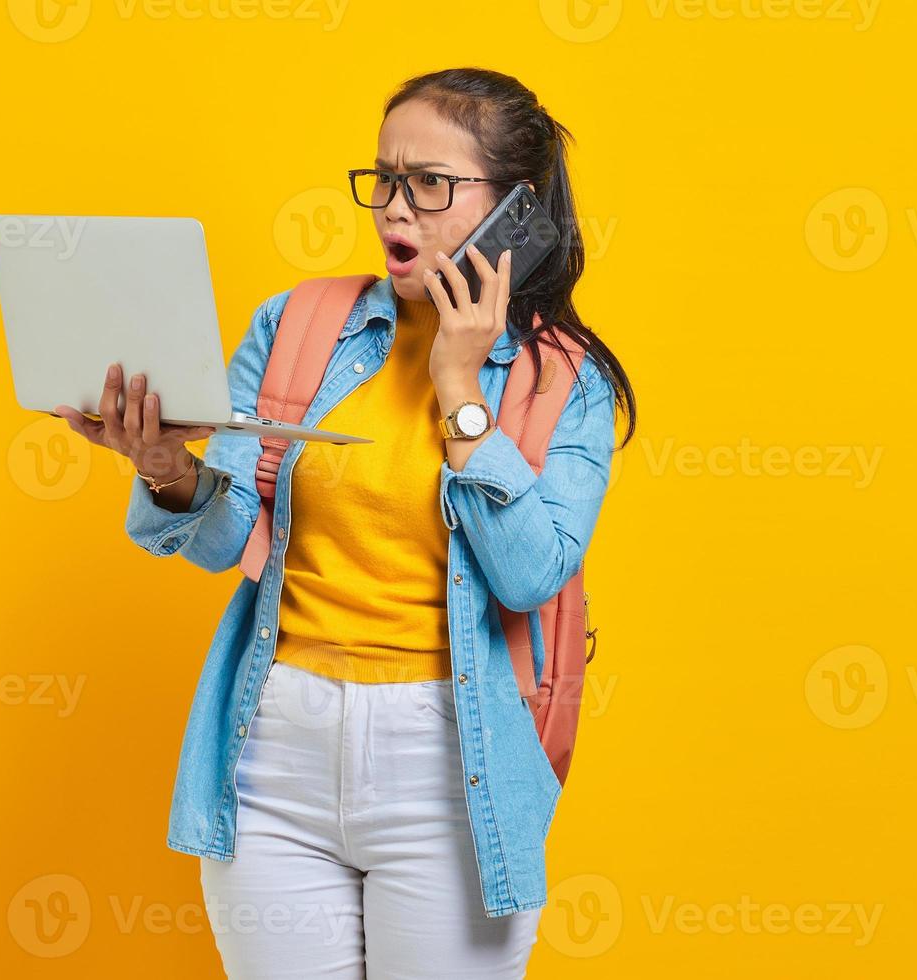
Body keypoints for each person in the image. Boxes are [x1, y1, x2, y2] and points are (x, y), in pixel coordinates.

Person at [56, 66, 636, 980]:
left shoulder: (564, 382)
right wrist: (166, 469)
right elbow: (224, 540)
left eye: (431, 186)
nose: (396, 210)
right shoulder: (300, 324)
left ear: (513, 211)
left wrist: (457, 385)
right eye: (385, 179)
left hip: (451, 763)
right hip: (274, 748)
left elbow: (531, 575)